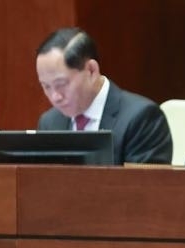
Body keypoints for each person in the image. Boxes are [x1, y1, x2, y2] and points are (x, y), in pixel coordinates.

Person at [35, 27, 172, 165]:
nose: (55, 97)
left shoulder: (141, 118)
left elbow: (143, 179)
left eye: (61, 84)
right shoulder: (49, 123)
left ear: (91, 70)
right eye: (46, 86)